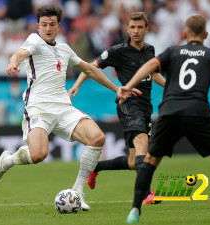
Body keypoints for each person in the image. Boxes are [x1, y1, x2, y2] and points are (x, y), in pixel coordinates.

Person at [0, 5, 127, 211]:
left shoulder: (64, 49)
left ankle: (78, 192)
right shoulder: (34, 41)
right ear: (38, 26)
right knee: (38, 155)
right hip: (38, 107)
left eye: (52, 24)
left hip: (63, 107)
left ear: (59, 26)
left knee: (97, 138)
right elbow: (19, 54)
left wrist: (117, 89)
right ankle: (6, 161)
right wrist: (13, 63)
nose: (48, 28)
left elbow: (89, 69)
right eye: (44, 24)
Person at [119, 15, 210, 223]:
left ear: (184, 34)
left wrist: (129, 84)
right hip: (198, 112)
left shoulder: (173, 51)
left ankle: (134, 211)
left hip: (169, 111)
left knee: (150, 161)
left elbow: (151, 64)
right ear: (206, 35)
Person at [68, 12, 165, 205]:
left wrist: (171, 87)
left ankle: (96, 167)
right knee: (143, 149)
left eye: (140, 27)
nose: (136, 31)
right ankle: (146, 194)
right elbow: (90, 66)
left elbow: (153, 75)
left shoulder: (150, 50)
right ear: (127, 29)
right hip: (128, 104)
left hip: (145, 106)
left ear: (146, 29)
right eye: (132, 27)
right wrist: (77, 84)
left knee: (132, 162)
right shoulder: (118, 51)